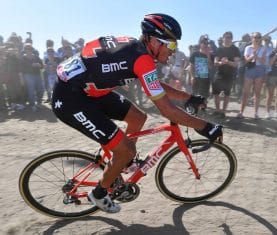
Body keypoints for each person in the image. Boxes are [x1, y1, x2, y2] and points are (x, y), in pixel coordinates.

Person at [52, 13, 223, 213]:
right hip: (71, 99)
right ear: (153, 41)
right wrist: (206, 127)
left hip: (87, 90)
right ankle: (99, 193)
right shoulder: (141, 59)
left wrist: (188, 97)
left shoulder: (137, 49)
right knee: (126, 150)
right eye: (171, 46)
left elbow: (154, 84)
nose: (173, 52)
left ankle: (121, 163)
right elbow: (167, 110)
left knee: (138, 117)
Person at [237, 32, 267, 119]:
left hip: (259, 69)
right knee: (245, 92)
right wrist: (252, 56)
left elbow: (263, 61)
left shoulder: (263, 48)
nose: (257, 38)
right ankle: (241, 112)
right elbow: (246, 61)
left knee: (257, 93)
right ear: (252, 38)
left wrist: (256, 56)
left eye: (258, 37)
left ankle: (256, 113)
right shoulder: (248, 48)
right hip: (250, 69)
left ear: (260, 38)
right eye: (255, 37)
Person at [213, 31, 240, 117]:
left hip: (230, 74)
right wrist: (222, 62)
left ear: (232, 39)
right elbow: (215, 62)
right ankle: (217, 110)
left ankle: (223, 112)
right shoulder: (219, 49)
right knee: (215, 93)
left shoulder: (235, 49)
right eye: (226, 37)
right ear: (223, 38)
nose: (227, 39)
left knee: (227, 94)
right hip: (219, 73)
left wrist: (227, 62)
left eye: (229, 37)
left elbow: (236, 64)